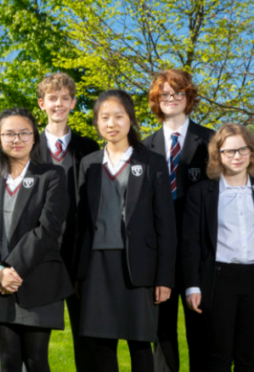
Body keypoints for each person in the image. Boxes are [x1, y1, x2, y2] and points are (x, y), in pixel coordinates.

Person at [76, 90, 177, 372]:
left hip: (138, 267)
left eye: (118, 116)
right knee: (102, 344)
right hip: (97, 267)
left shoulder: (152, 163)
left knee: (140, 345)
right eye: (104, 117)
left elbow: (166, 226)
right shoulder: (89, 164)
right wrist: (79, 272)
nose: (111, 123)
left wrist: (165, 278)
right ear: (97, 123)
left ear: (130, 119)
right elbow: (81, 223)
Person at [0, 108, 71, 372]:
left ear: (34, 138)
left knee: (36, 360)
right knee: (7, 361)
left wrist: (11, 270)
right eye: (9, 134)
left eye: (24, 133)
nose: (16, 139)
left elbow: (48, 229)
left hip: (37, 280)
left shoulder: (52, 176)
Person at [143, 69, 214, 372]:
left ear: (189, 97)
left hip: (200, 251)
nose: (171, 98)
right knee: (162, 332)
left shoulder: (211, 141)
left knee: (202, 332)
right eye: (165, 94)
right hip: (160, 253)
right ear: (156, 101)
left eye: (178, 92)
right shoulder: (144, 148)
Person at [36, 73, 99, 372]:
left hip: (79, 254)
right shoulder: (28, 147)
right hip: (38, 255)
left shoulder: (89, 148)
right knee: (34, 340)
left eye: (64, 98)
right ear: (42, 104)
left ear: (73, 103)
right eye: (52, 98)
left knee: (86, 339)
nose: (58, 104)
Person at [182, 123, 254, 372]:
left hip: (253, 278)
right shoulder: (201, 193)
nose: (237, 156)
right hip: (218, 280)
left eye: (243, 150)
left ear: (251, 152)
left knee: (249, 356)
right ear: (218, 155)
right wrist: (192, 284)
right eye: (229, 151)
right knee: (218, 356)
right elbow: (190, 243)